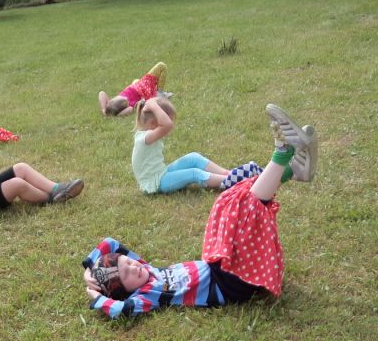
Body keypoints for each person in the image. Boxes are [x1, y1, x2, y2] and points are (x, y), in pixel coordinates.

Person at [85, 104, 317, 319]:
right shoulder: (146, 295)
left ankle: (292, 170)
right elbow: (120, 310)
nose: (134, 266)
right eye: (127, 273)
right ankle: (283, 154)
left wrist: (89, 271)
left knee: (227, 201)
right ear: (123, 291)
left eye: (128, 262)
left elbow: (110, 244)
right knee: (241, 209)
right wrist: (96, 293)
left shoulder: (146, 269)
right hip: (229, 284)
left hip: (218, 265)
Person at [131, 97, 262, 195]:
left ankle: (227, 173)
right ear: (153, 124)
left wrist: (154, 104)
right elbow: (167, 125)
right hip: (156, 183)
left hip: (161, 173)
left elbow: (166, 124)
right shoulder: (144, 138)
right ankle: (233, 182)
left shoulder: (146, 135)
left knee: (193, 157)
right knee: (194, 173)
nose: (170, 128)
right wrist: (154, 105)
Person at [99, 61, 171, 117]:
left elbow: (102, 93)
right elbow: (130, 109)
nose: (126, 98)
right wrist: (118, 115)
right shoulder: (130, 105)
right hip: (143, 88)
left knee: (135, 80)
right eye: (126, 100)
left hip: (137, 85)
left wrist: (104, 109)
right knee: (162, 66)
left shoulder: (114, 103)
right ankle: (160, 93)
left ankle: (157, 94)